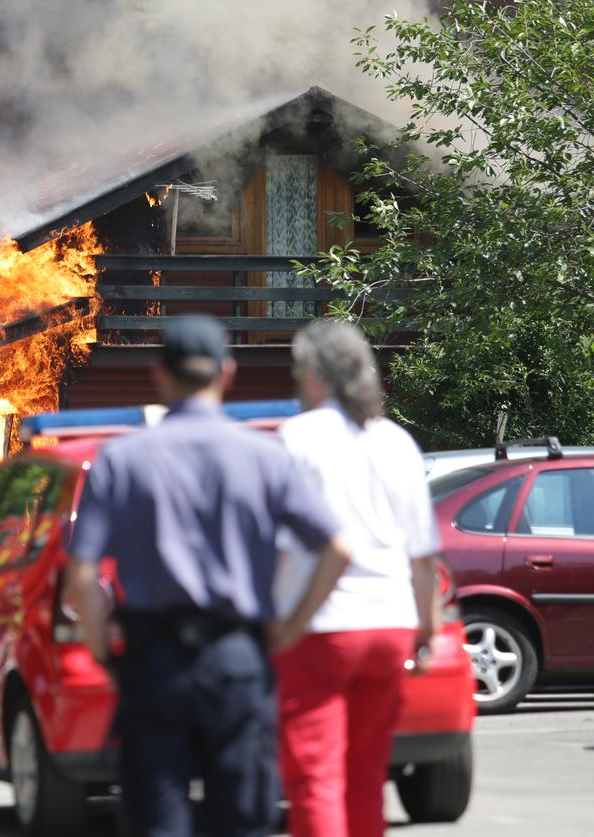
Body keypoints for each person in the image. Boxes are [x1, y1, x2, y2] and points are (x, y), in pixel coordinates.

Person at [65, 315, 353, 837]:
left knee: (158, 818)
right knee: (243, 819)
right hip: (236, 657)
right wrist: (290, 627)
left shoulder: (122, 459)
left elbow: (81, 575)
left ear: (160, 374)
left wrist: (103, 649)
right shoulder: (266, 457)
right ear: (228, 371)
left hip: (154, 661)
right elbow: (337, 546)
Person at [272, 321, 442, 837]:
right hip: (390, 624)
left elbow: (277, 546)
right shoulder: (396, 442)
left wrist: (279, 623)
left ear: (317, 376)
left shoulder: (296, 439)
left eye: (300, 372)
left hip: (321, 627)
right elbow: (422, 553)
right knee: (366, 776)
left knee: (314, 779)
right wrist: (427, 628)